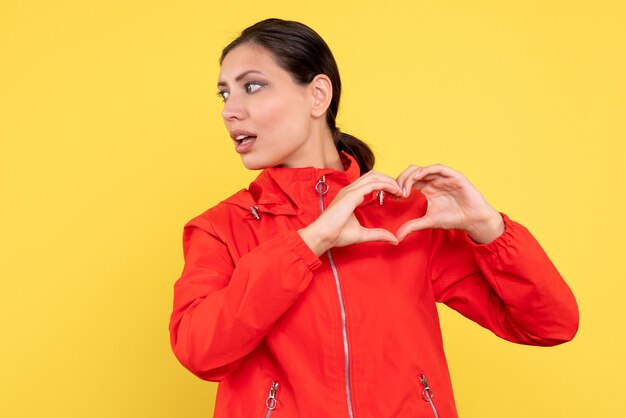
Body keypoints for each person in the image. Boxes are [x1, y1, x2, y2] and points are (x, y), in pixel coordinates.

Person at [169, 18, 578, 418]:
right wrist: (309, 242)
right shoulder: (222, 227)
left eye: (252, 87)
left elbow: (550, 324)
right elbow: (200, 352)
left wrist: (488, 229)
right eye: (224, 94)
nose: (230, 111)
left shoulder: (408, 220)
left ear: (317, 95)